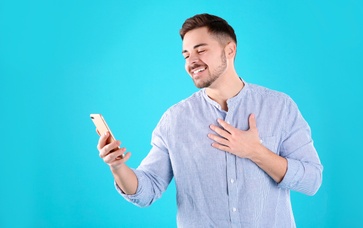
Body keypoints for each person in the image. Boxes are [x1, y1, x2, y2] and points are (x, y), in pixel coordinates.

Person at [97, 13, 323, 227]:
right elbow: (148, 189)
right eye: (186, 55)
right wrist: (118, 168)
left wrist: (256, 152)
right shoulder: (174, 120)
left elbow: (312, 180)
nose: (191, 61)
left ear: (230, 50)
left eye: (200, 50)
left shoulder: (279, 107)